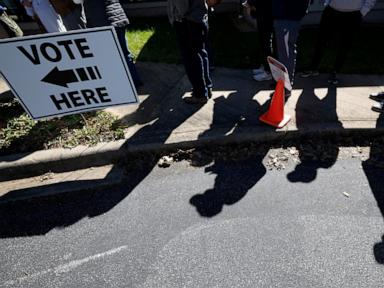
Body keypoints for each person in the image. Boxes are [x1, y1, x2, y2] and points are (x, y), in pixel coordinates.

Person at [300, 0, 377, 85]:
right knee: (321, 40)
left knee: (345, 44)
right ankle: (313, 68)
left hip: (353, 14)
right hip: (331, 10)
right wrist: (327, 3)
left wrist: (362, 12)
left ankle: (335, 71)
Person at [82, 0, 143, 88]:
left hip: (104, 22)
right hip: (119, 18)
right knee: (125, 53)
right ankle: (135, 81)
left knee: (109, 57)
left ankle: (122, 85)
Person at [167, 0, 213, 104]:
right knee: (200, 53)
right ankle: (206, 88)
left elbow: (182, 7)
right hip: (198, 18)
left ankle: (200, 94)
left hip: (187, 21)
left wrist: (175, 18)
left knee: (192, 59)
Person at [272, 0, 312, 90]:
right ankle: (285, 83)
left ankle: (286, 85)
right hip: (289, 14)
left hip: (287, 14)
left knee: (285, 51)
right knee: (285, 50)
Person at [243, 0, 274, 82]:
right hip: (263, 9)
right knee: (263, 40)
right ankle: (266, 66)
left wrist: (251, 3)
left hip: (266, 10)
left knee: (266, 41)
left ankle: (268, 71)